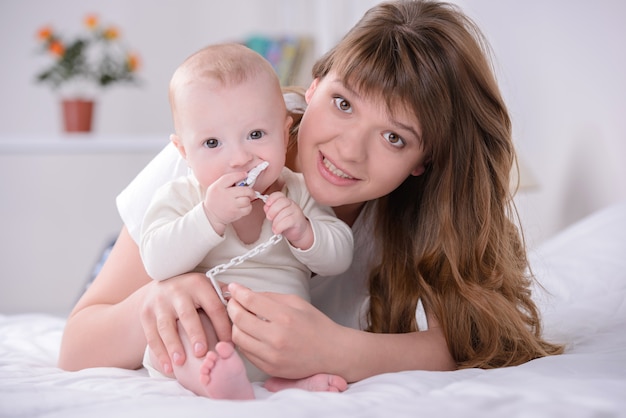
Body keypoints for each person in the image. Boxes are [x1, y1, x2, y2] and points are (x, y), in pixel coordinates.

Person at [58, 0, 564, 389]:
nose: (348, 149)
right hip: (157, 252)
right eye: (343, 103)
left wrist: (337, 350)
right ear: (315, 85)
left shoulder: (414, 213)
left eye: (394, 138)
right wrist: (158, 295)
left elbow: (469, 343)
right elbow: (77, 346)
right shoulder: (224, 144)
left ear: (424, 162)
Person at [139, 43, 353, 399]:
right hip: (211, 329)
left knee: (305, 324)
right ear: (183, 153)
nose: (239, 157)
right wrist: (208, 217)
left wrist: (305, 232)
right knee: (190, 326)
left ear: (285, 134)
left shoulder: (297, 191)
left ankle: (287, 380)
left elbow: (340, 255)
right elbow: (156, 261)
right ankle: (209, 376)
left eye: (256, 135)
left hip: (280, 340)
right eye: (212, 143)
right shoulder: (182, 197)